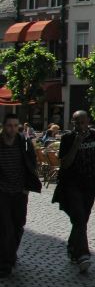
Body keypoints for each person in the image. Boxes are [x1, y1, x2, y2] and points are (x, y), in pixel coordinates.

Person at [53, 110, 95, 273]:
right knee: (79, 217)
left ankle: (73, 247)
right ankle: (83, 255)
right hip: (72, 185)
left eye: (82, 122)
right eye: (76, 122)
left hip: (90, 184)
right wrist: (76, 143)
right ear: (72, 123)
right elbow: (65, 164)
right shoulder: (67, 139)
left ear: (88, 121)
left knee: (82, 220)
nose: (80, 125)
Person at [0, 113, 43, 277]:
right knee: (5, 227)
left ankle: (10, 253)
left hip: (20, 190)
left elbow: (32, 162)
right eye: (9, 125)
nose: (12, 129)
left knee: (18, 224)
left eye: (15, 125)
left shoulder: (24, 142)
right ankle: (6, 263)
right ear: (4, 126)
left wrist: (28, 185)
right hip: (2, 190)